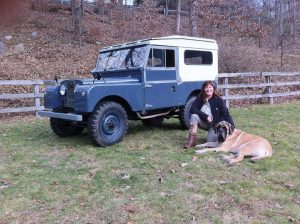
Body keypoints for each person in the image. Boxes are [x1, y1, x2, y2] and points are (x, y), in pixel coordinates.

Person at [183, 80, 235, 149]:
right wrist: (206, 116)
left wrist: (232, 127)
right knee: (194, 116)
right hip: (203, 122)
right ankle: (192, 141)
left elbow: (226, 114)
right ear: (204, 89)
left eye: (210, 87)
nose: (208, 89)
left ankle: (215, 136)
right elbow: (193, 109)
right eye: (206, 87)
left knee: (210, 142)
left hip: (215, 126)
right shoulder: (200, 98)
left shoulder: (219, 100)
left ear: (213, 88)